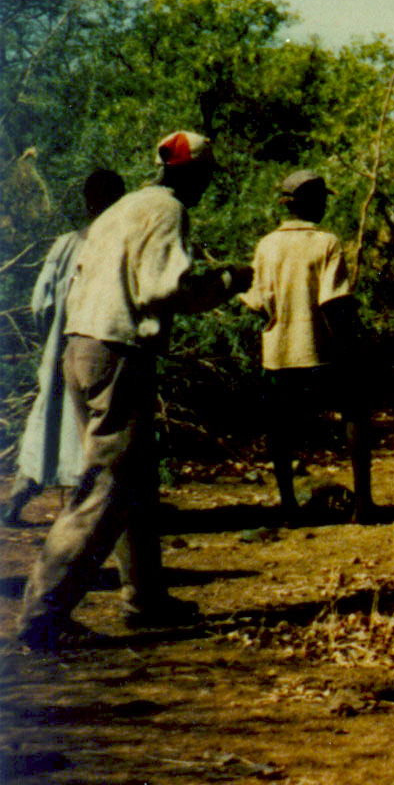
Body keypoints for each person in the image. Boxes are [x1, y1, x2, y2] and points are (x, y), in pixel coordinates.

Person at [13, 131, 251, 650]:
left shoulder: (122, 208)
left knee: (135, 480)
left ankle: (145, 598)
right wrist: (229, 281)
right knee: (109, 486)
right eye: (206, 179)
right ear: (193, 175)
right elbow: (168, 289)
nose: (206, 188)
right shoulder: (166, 211)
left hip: (83, 346)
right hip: (117, 351)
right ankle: (41, 617)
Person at [240, 169, 376, 525]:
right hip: (322, 352)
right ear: (314, 203)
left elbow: (256, 302)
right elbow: (334, 301)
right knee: (355, 412)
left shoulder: (267, 245)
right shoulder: (327, 243)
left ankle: (288, 506)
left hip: (279, 354)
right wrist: (350, 346)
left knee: (280, 427)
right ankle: (363, 504)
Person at [3, 171, 127, 527]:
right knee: (94, 429)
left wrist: (51, 340)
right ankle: (84, 510)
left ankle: (21, 498)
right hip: (103, 350)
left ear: (88, 203)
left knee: (48, 423)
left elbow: (40, 303)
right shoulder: (118, 246)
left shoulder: (67, 244)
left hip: (63, 349)